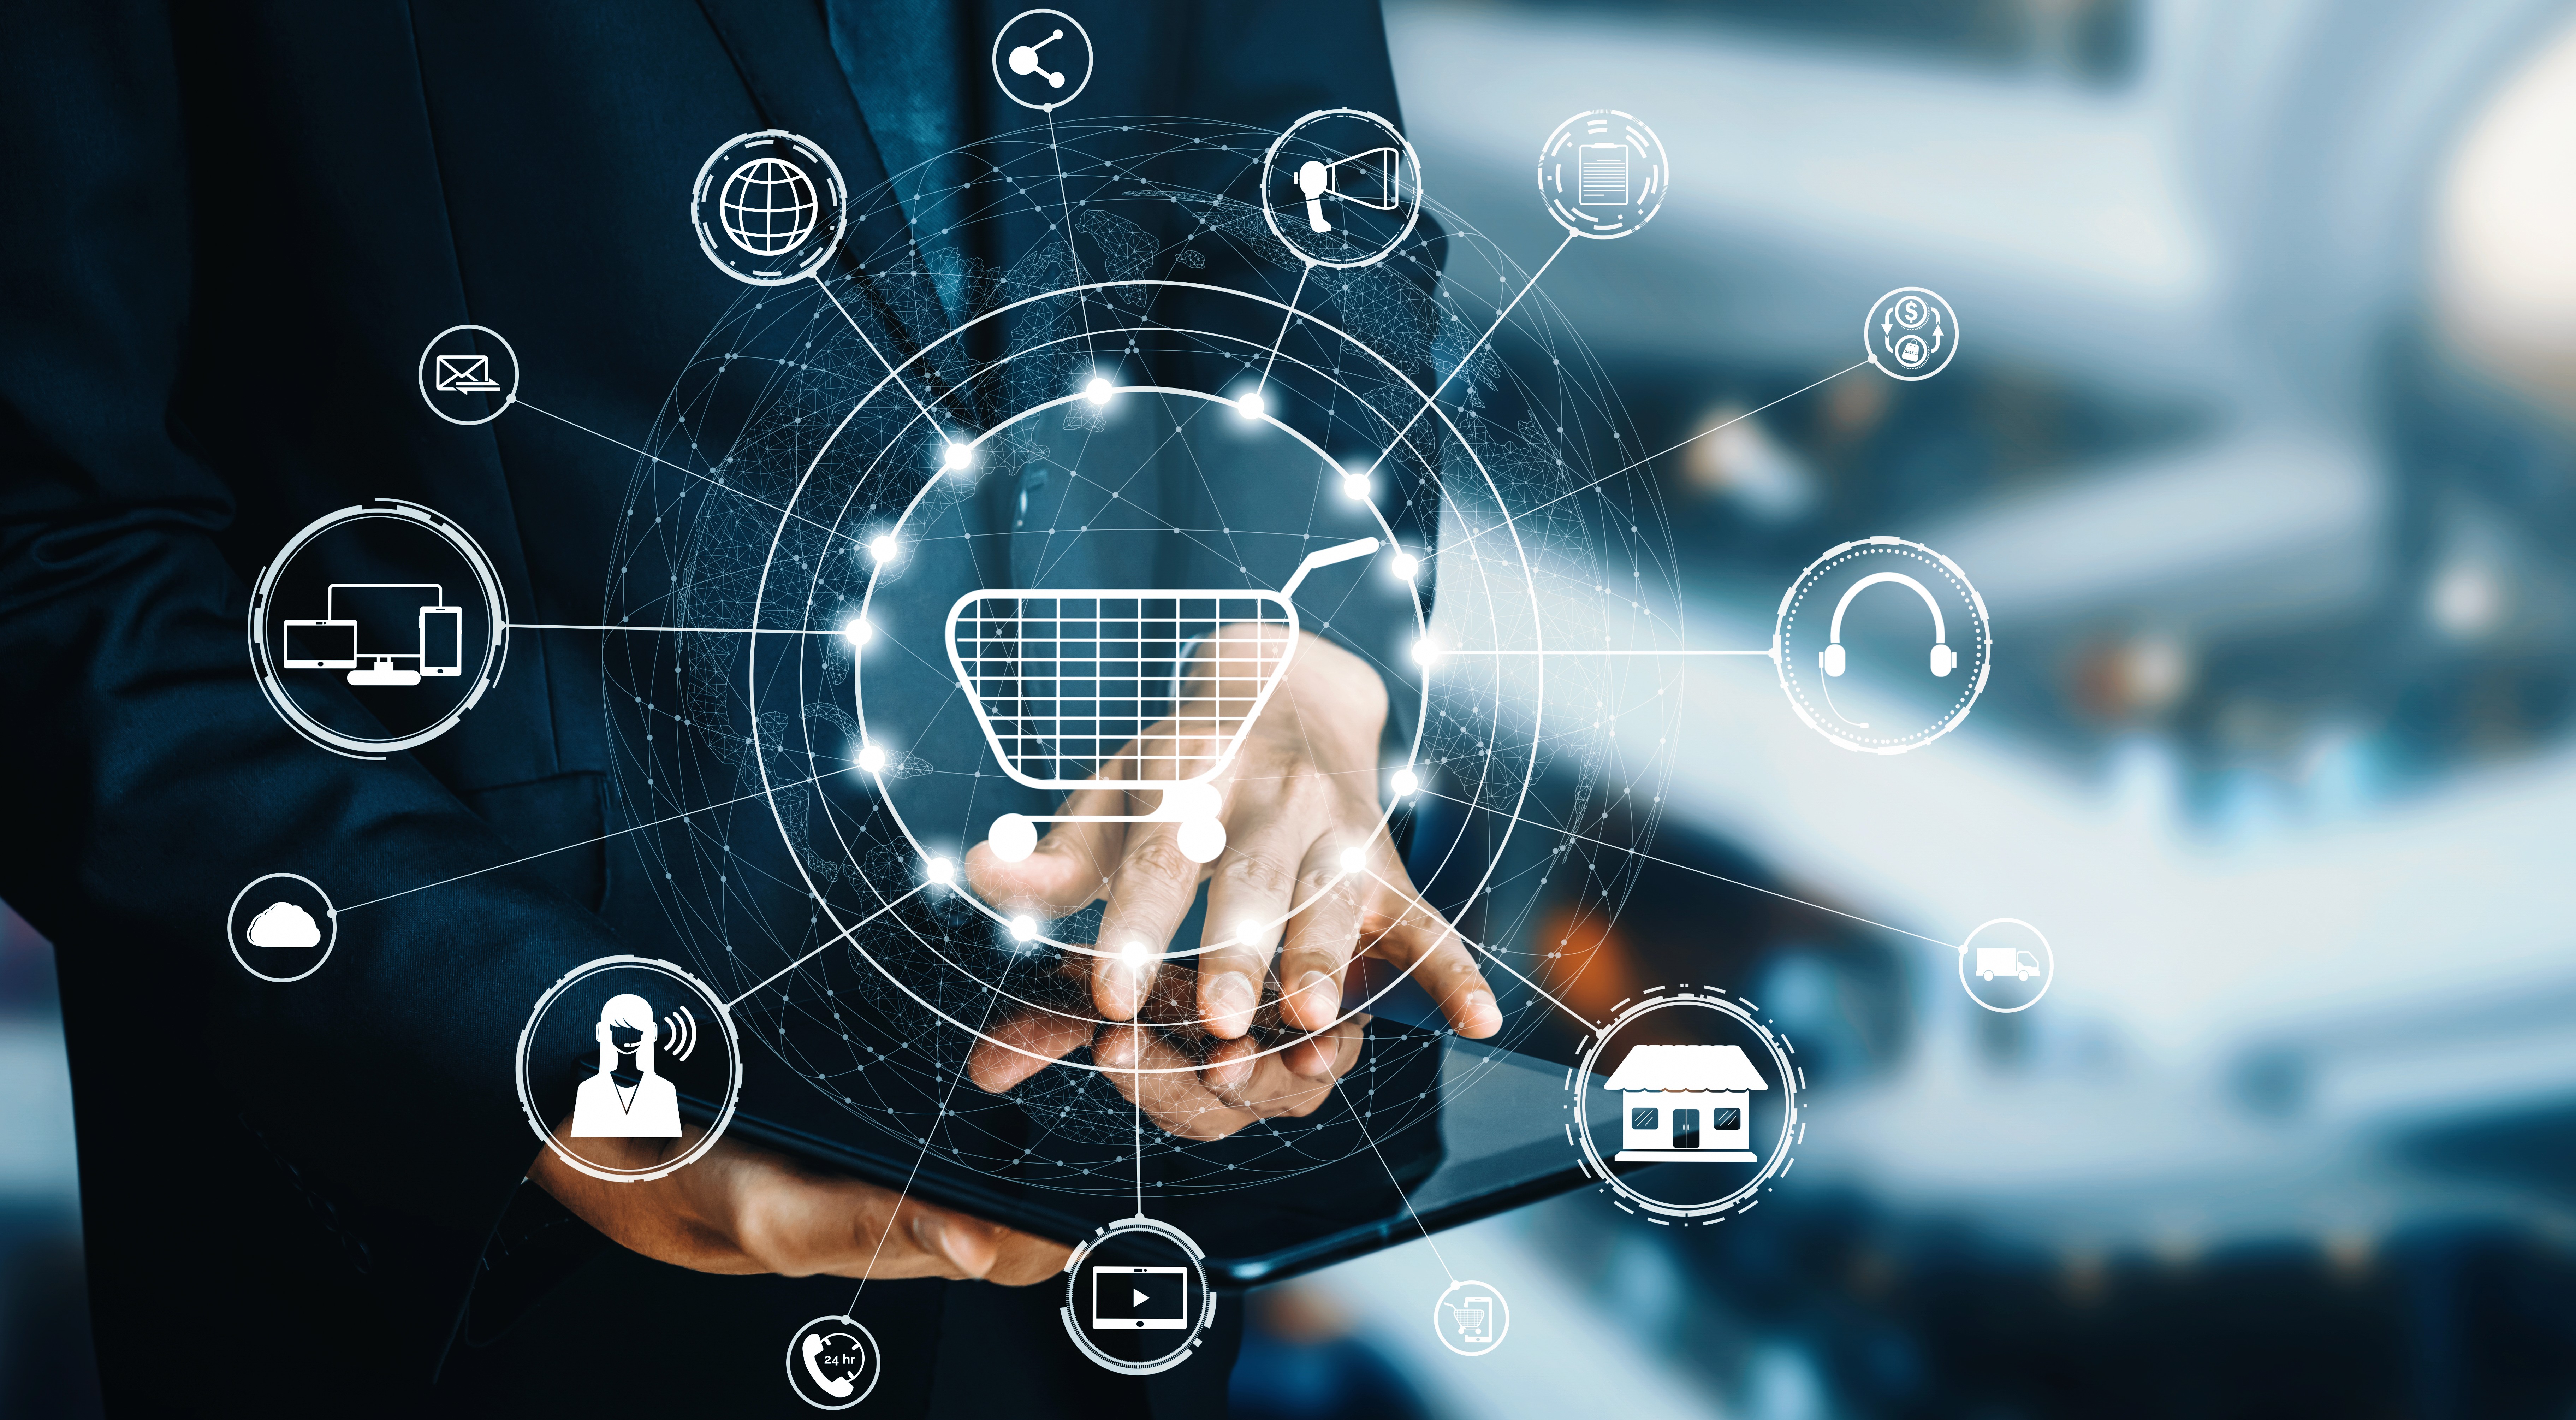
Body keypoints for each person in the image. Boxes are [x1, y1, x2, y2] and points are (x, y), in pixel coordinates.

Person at [0, 2, 1484, 1413]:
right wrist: (517, 1035)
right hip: (471, 1251)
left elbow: (1305, 219)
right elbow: (51, 548)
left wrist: (1292, 642)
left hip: (1118, 1185)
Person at [569, 994, 681, 1140]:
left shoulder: (665, 1089)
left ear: (653, 1033)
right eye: (618, 1031)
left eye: (639, 1032)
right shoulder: (589, 1089)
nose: (628, 1044)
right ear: (601, 1032)